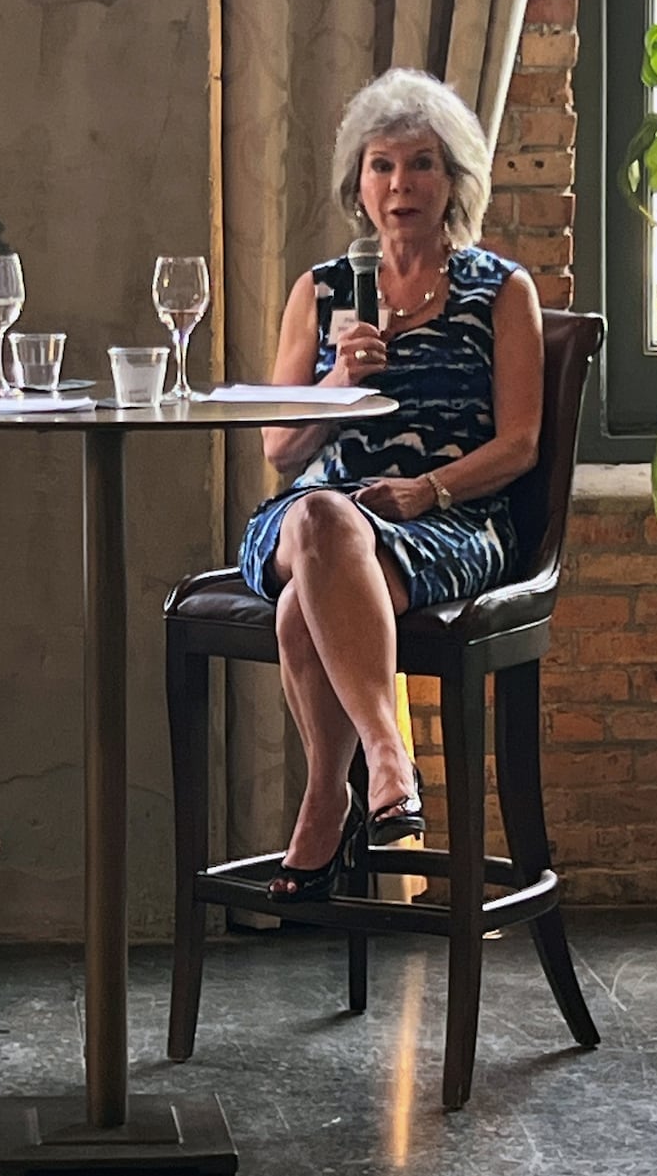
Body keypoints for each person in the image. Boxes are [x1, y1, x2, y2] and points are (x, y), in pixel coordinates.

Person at [240, 68, 543, 902]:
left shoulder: (499, 289)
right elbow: (279, 447)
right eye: (382, 165)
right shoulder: (323, 289)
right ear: (358, 183)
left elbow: (519, 444)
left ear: (453, 182)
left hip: (450, 515)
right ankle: (388, 758)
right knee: (319, 518)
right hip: (322, 508)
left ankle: (327, 796)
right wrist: (337, 383)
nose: (400, 184)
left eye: (421, 165)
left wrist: (426, 491)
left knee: (310, 585)